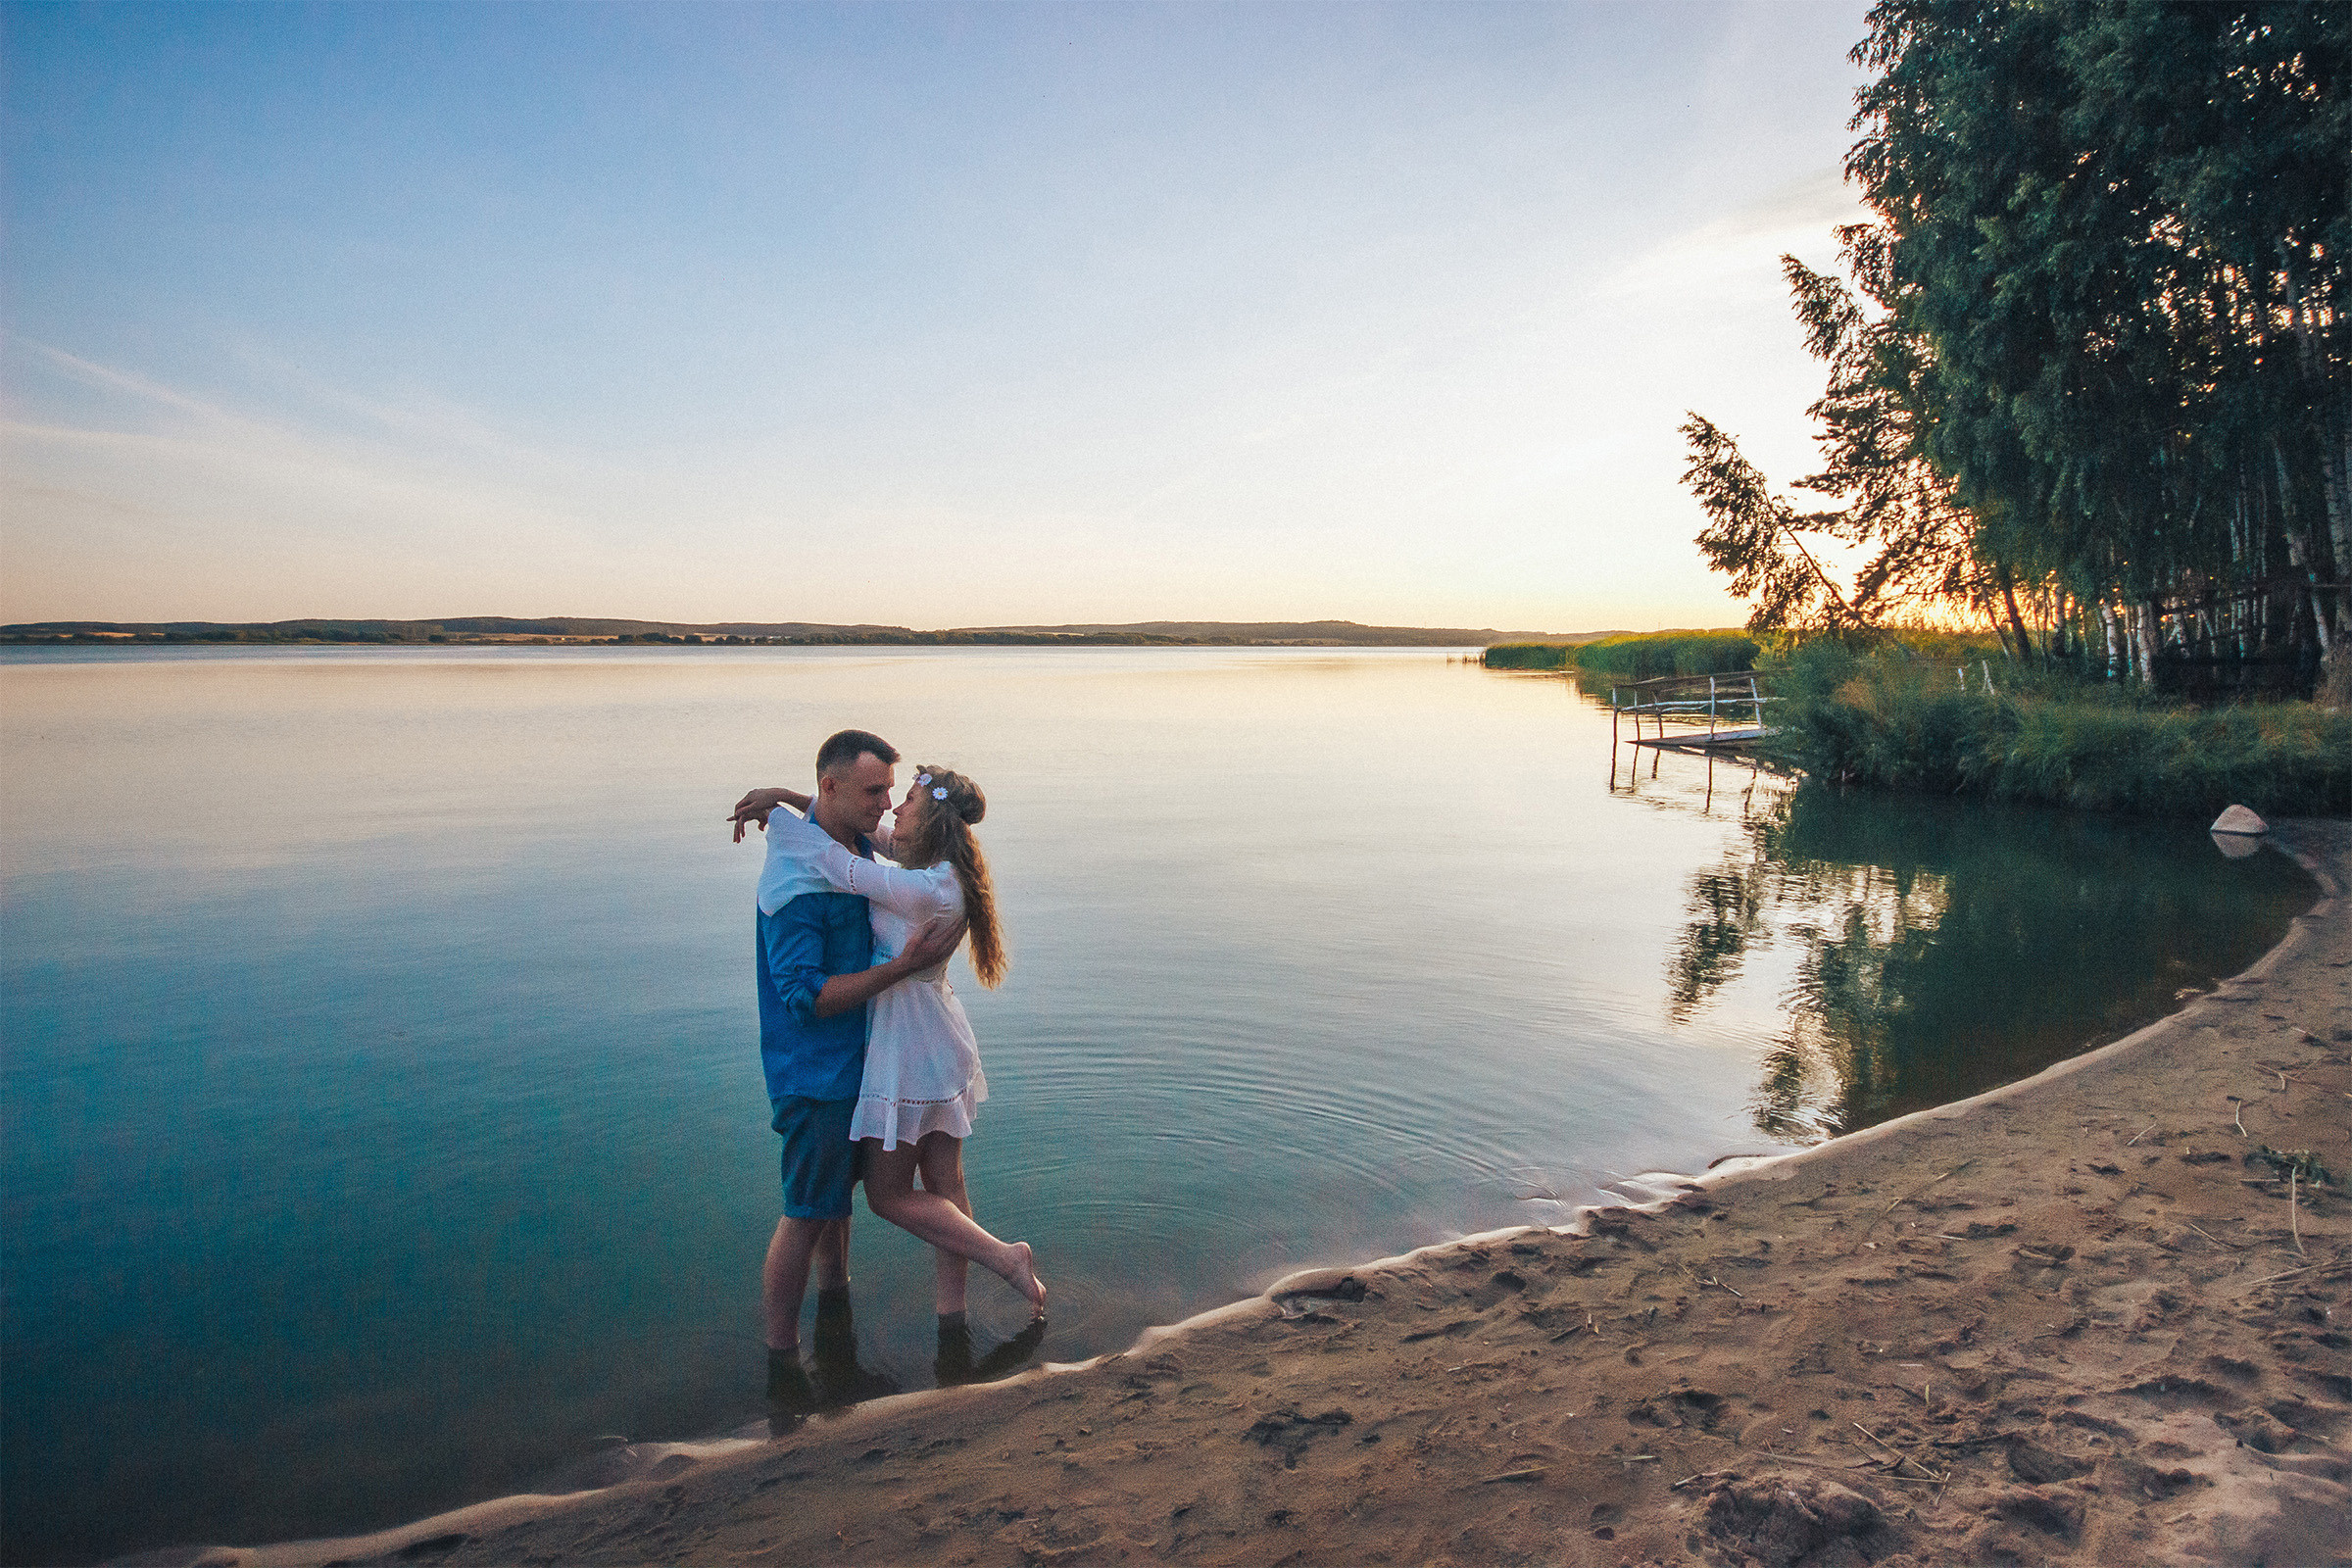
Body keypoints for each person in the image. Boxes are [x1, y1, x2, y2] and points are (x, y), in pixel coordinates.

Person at [732, 762, 1048, 1329]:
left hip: (909, 1046)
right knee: (946, 1183)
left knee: (886, 1196)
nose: (892, 812)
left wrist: (779, 819)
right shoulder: (936, 870)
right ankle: (952, 1314)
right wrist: (788, 794)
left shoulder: (921, 886)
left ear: (931, 823)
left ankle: (1004, 1256)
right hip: (938, 1036)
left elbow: (842, 866)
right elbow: (865, 834)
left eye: (905, 803)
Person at [745, 729, 964, 1413]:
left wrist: (786, 800)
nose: (886, 804)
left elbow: (904, 853)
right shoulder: (796, 883)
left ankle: (835, 1322)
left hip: (862, 1062)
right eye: (874, 792)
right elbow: (805, 996)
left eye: (891, 792)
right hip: (814, 1075)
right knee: (807, 1213)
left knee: (837, 1216)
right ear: (834, 788)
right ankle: (783, 1365)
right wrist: (901, 967)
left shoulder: (851, 845)